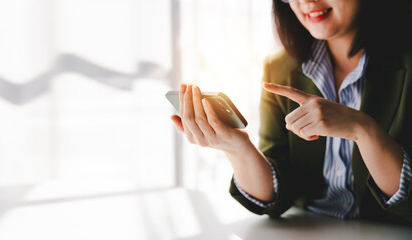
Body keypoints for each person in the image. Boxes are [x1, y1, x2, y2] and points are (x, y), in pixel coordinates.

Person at [170, 0, 412, 225]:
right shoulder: (279, 68)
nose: (307, 1)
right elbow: (279, 192)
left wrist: (363, 129)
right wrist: (237, 148)